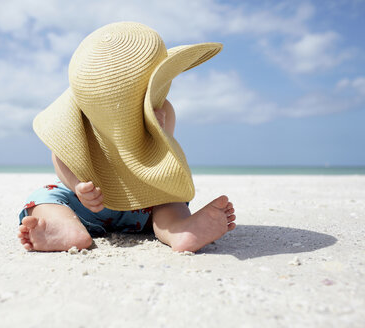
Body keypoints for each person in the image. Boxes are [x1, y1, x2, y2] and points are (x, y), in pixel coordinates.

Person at [17, 22, 236, 253]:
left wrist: (158, 135)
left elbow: (159, 165)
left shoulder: (162, 112)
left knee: (44, 196)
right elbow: (60, 156)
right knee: (169, 200)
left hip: (137, 201)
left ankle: (180, 231)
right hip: (115, 206)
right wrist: (78, 187)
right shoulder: (81, 119)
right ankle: (66, 228)